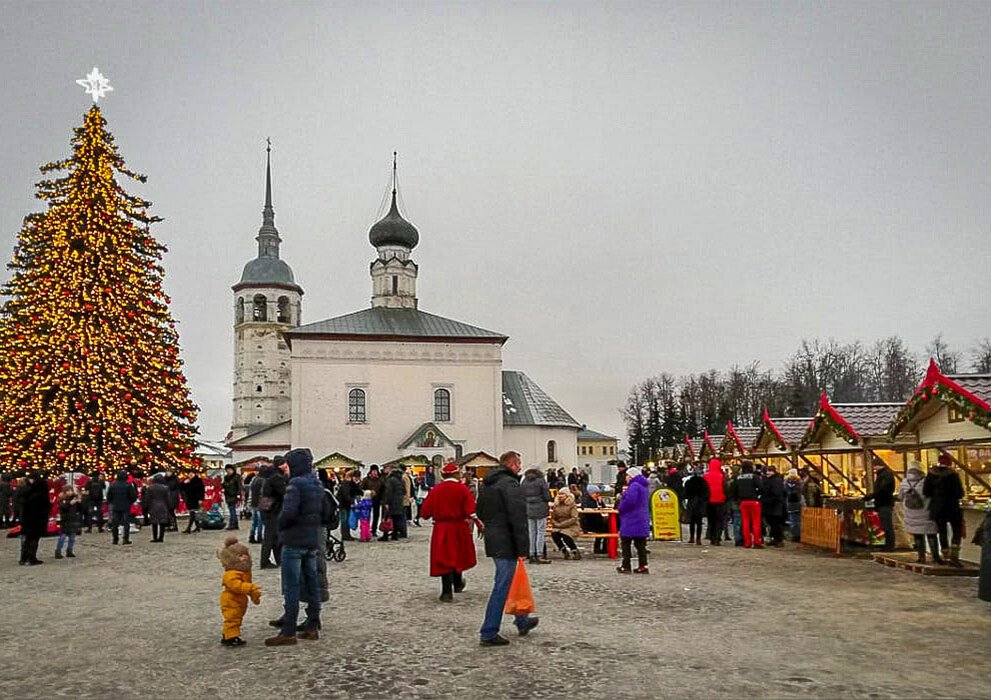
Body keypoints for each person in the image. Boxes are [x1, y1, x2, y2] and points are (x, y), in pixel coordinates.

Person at [475, 450, 539, 647]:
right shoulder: (510, 484)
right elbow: (517, 517)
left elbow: (480, 510)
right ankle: (489, 631)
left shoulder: (488, 484)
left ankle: (522, 620)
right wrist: (523, 547)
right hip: (507, 540)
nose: (520, 467)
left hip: (494, 538)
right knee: (502, 586)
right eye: (518, 463)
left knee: (511, 581)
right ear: (512, 464)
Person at [266, 448, 324, 647]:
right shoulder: (317, 483)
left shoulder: (295, 484)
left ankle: (288, 631)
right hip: (311, 540)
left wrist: (280, 526)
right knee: (312, 584)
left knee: (292, 587)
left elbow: (288, 513)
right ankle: (312, 627)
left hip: (294, 541)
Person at [419, 462, 480, 602]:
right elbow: (471, 510)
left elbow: (425, 512)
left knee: (443, 557)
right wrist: (477, 522)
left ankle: (446, 591)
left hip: (442, 527)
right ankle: (457, 583)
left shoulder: (436, 490)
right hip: (459, 526)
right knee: (457, 554)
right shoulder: (462, 489)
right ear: (456, 474)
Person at [217, 535, 262, 646]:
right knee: (233, 618)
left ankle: (228, 634)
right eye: (240, 555)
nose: (244, 557)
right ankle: (230, 637)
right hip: (231, 600)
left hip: (239, 599)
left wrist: (253, 594)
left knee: (236, 618)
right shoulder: (231, 573)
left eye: (245, 554)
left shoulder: (243, 571)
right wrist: (250, 588)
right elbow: (236, 586)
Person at [924, 454, 966, 567]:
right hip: (953, 507)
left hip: (937, 508)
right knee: (956, 531)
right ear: (949, 462)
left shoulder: (931, 474)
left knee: (942, 531)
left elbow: (926, 492)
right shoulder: (953, 475)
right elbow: (960, 493)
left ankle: (945, 554)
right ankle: (954, 557)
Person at [899, 462, 941, 564]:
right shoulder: (926, 482)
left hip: (911, 513)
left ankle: (921, 558)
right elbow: (933, 495)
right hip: (926, 512)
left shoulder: (904, 482)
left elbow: (900, 497)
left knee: (918, 535)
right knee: (931, 534)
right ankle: (936, 557)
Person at [616, 466, 650, 574]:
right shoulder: (643, 486)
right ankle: (643, 566)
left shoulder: (634, 486)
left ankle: (626, 566)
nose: (626, 478)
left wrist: (620, 508)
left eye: (627, 475)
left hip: (631, 519)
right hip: (641, 518)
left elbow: (630, 501)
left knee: (626, 543)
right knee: (640, 545)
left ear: (631, 476)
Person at [18, 471, 51, 565]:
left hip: (27, 519)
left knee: (27, 539)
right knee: (33, 539)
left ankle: (24, 558)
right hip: (36, 520)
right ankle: (31, 558)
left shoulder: (29, 492)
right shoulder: (40, 495)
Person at [521, 466, 552, 564]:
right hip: (540, 509)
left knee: (531, 532)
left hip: (528, 509)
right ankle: (539, 553)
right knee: (541, 532)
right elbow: (547, 495)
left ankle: (531, 553)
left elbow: (520, 494)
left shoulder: (524, 481)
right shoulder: (541, 480)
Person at [260, 457, 287, 568]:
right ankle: (265, 561)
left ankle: (278, 559)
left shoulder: (271, 475)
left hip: (268, 509)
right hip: (273, 510)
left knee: (274, 536)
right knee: (271, 537)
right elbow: (283, 492)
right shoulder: (276, 477)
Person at [730, 461, 763, 549]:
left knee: (745, 522)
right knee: (756, 522)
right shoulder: (754, 477)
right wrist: (757, 495)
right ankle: (757, 542)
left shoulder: (738, 478)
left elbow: (733, 490)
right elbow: (761, 488)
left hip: (743, 502)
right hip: (754, 501)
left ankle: (747, 542)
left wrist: (737, 499)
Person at [871, 460, 897, 552]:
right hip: (884, 502)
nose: (873, 468)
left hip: (884, 503)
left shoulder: (885, 475)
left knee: (887, 525)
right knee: (885, 525)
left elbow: (883, 490)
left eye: (874, 466)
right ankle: (888, 545)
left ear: (879, 465)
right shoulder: (884, 474)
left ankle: (890, 546)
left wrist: (872, 495)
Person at [106, 469, 137, 546]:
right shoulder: (128, 485)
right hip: (126, 505)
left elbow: (109, 496)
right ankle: (125, 539)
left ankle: (115, 539)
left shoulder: (113, 485)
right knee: (126, 523)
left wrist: (112, 502)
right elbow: (133, 496)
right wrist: (130, 502)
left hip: (116, 505)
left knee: (115, 523)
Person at [549, 489, 582, 560]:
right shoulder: (556, 505)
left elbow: (574, 518)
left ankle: (575, 551)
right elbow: (553, 517)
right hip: (559, 525)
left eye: (562, 494)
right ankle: (564, 551)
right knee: (554, 534)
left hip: (571, 526)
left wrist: (562, 524)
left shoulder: (572, 505)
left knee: (566, 535)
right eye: (559, 494)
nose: (560, 496)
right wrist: (555, 523)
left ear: (567, 495)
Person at [702, 458, 727, 545]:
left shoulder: (705, 476)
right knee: (719, 521)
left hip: (709, 501)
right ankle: (717, 538)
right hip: (720, 501)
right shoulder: (722, 476)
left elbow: (704, 488)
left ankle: (712, 537)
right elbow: (725, 488)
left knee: (711, 520)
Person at [54, 485, 82, 560]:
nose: (70, 492)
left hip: (73, 520)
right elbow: (62, 508)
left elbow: (80, 509)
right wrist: (70, 503)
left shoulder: (74, 498)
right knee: (62, 537)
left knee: (72, 537)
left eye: (71, 491)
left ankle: (69, 551)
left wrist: (79, 502)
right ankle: (58, 551)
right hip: (65, 520)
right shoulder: (62, 499)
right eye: (68, 491)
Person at [580, 485, 609, 555]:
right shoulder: (586, 500)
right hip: (589, 523)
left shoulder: (596, 500)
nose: (598, 495)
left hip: (596, 521)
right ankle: (601, 548)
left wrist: (600, 502)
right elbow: (588, 511)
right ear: (590, 493)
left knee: (607, 527)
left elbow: (603, 508)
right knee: (607, 528)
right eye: (596, 493)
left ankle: (603, 548)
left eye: (598, 493)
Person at [379, 466, 407, 542]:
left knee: (386, 518)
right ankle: (394, 535)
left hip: (391, 502)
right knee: (396, 520)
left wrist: (386, 502)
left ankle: (385, 535)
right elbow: (404, 492)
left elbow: (388, 492)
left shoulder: (390, 480)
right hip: (399, 503)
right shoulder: (401, 481)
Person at [683, 466, 709, 546]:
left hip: (691, 503)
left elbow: (686, 493)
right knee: (699, 522)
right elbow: (706, 493)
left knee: (692, 522)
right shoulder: (703, 482)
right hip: (700, 503)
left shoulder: (689, 482)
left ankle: (691, 537)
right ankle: (698, 539)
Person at [762, 464, 786, 547]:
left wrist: (768, 499)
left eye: (770, 471)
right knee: (772, 523)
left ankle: (779, 539)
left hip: (775, 505)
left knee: (776, 523)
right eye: (767, 471)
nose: (768, 473)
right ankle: (775, 539)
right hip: (770, 505)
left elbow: (777, 493)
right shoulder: (769, 480)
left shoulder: (776, 480)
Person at [145, 474, 171, 543]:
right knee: (162, 523)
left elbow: (147, 499)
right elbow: (168, 499)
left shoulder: (150, 488)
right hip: (163, 506)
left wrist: (147, 507)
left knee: (154, 523)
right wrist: (168, 506)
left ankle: (155, 537)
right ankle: (161, 537)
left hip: (153, 506)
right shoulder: (165, 488)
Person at [336, 470, 360, 541]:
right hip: (343, 505)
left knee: (347, 519)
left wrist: (357, 485)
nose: (357, 479)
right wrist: (352, 501)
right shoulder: (346, 484)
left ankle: (347, 534)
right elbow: (346, 495)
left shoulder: (351, 484)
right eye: (356, 477)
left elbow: (356, 491)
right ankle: (345, 535)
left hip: (347, 505)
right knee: (344, 520)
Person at [360, 465, 383, 535]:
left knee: (376, 515)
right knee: (367, 515)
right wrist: (368, 492)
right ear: (371, 471)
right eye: (373, 471)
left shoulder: (380, 480)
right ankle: (366, 529)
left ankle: (374, 529)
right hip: (368, 500)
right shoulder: (366, 480)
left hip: (377, 500)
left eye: (375, 471)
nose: (374, 472)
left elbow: (382, 489)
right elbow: (362, 488)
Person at [784, 468, 804, 542]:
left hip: (789, 502)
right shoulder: (799, 481)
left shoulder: (786, 482)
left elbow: (784, 491)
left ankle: (794, 535)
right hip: (798, 502)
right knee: (799, 519)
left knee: (792, 519)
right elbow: (801, 491)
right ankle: (799, 535)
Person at [248, 465, 266, 543]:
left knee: (254, 522)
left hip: (254, 503)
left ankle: (251, 536)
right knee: (260, 522)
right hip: (260, 503)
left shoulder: (254, 479)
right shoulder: (263, 481)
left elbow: (250, 492)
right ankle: (259, 537)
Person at [222, 466, 243, 530]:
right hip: (228, 495)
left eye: (229, 470)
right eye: (227, 470)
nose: (228, 471)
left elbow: (239, 486)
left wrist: (239, 494)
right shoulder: (226, 477)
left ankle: (232, 524)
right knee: (232, 510)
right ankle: (235, 524)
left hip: (233, 495)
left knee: (232, 510)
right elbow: (224, 485)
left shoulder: (236, 477)